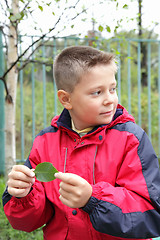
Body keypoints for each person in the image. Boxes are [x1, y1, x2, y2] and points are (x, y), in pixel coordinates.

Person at [2, 46, 160, 240]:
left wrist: (93, 199)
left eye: (112, 89)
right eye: (97, 92)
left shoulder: (131, 139)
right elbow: (26, 222)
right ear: (66, 99)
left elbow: (151, 214)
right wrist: (22, 195)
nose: (110, 100)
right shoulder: (45, 143)